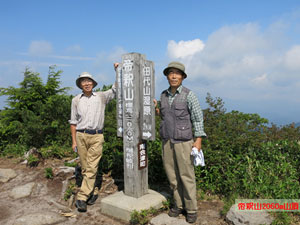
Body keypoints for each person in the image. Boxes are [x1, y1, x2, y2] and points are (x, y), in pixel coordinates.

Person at [155, 61, 206, 223]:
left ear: (183, 77)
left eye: (177, 73)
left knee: (186, 175)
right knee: (172, 175)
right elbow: (164, 116)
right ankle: (178, 204)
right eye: (171, 73)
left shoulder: (189, 94)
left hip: (184, 141)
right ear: (167, 76)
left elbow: (198, 119)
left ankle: (191, 208)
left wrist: (198, 141)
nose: (174, 76)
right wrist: (157, 110)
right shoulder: (163, 95)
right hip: (167, 141)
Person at [69, 67, 117, 212]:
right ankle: (94, 190)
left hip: (97, 136)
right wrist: (74, 141)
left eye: (89, 80)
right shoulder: (76, 100)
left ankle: (82, 197)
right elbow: (73, 121)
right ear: (80, 85)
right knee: (85, 168)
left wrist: (117, 71)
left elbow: (115, 90)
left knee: (91, 167)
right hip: (81, 135)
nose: (87, 83)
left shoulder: (101, 96)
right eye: (84, 81)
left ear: (93, 83)